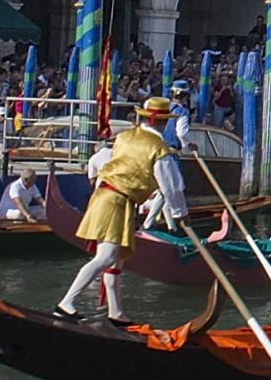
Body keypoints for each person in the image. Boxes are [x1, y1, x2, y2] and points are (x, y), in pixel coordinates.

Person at [57, 96, 185, 324]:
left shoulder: (125, 137)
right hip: (116, 200)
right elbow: (171, 187)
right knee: (105, 257)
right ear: (165, 123)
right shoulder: (158, 148)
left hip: (110, 197)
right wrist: (179, 214)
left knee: (116, 260)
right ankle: (66, 303)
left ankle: (115, 312)